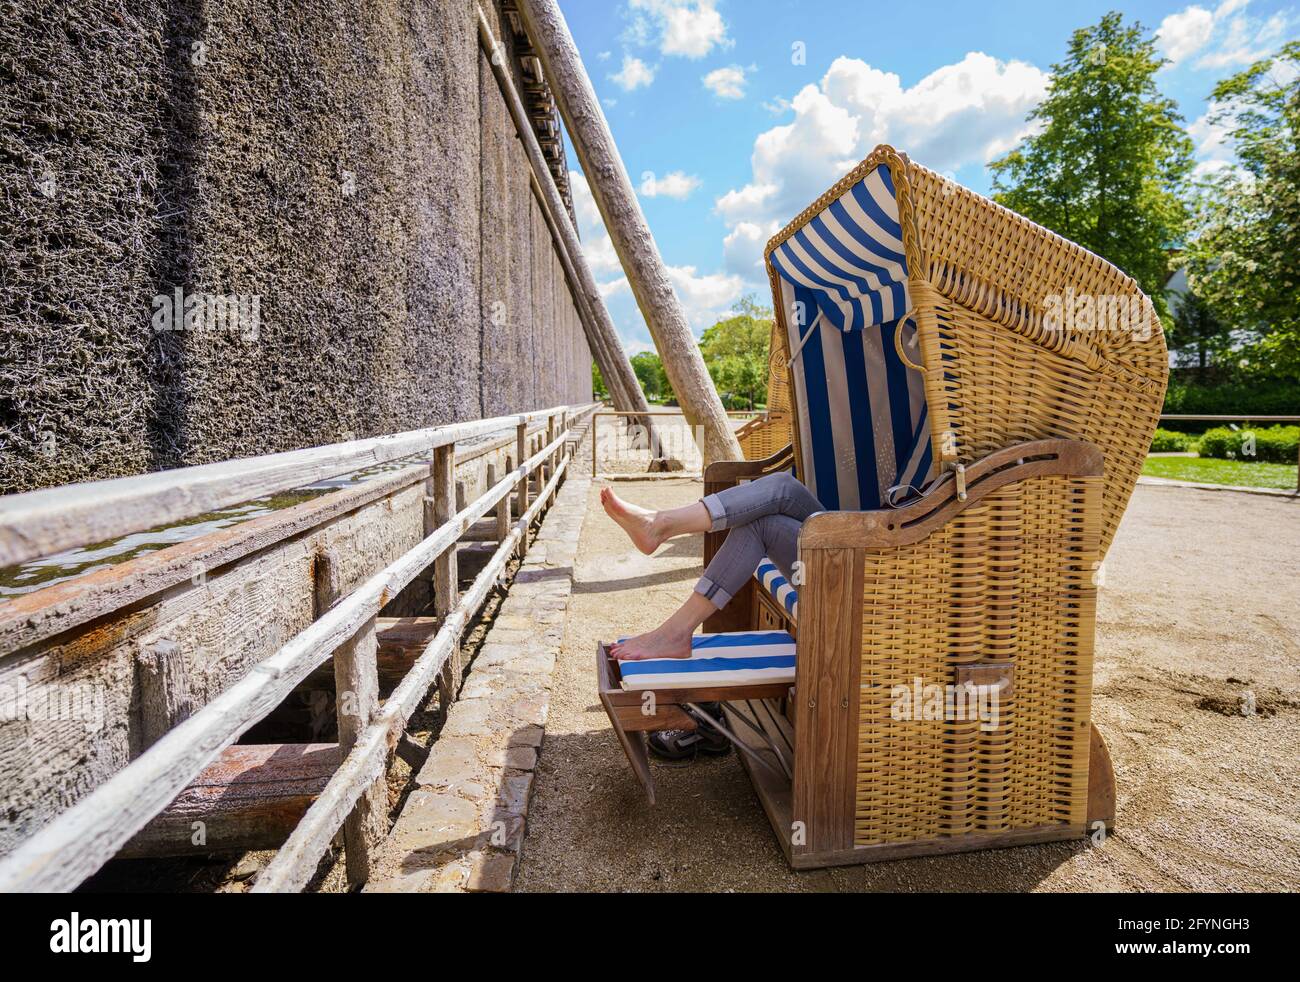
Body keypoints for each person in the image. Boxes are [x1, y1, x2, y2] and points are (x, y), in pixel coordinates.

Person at [602, 470, 821, 758]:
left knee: (783, 489)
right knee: (769, 511)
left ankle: (661, 525)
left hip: (883, 557)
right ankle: (675, 625)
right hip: (866, 534)